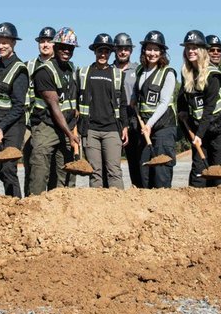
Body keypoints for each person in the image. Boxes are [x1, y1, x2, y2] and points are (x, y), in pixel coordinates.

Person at [27, 27, 80, 195]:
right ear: (55, 46)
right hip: (47, 125)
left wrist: (74, 126)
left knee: (66, 171)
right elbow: (55, 107)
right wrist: (70, 134)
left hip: (67, 126)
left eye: (70, 47)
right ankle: (34, 204)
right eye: (63, 46)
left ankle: (64, 208)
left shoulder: (71, 69)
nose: (66, 50)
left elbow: (72, 101)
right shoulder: (44, 72)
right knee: (40, 169)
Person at [179, 30, 221, 187]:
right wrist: (182, 112)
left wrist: (199, 135)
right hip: (200, 129)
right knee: (199, 174)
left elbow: (209, 109)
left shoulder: (213, 74)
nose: (191, 51)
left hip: (220, 128)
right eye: (188, 47)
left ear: (203, 50)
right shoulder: (186, 72)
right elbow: (181, 98)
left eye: (195, 47)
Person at [79, 33, 127, 189]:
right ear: (95, 51)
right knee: (95, 173)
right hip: (91, 130)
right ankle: (98, 211)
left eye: (106, 51)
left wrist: (124, 126)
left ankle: (118, 208)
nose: (103, 54)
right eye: (100, 50)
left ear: (110, 53)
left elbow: (123, 104)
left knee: (114, 171)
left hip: (112, 130)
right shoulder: (84, 73)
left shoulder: (117, 75)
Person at [0, 22, 29, 197]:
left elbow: (19, 106)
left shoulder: (19, 70)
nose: (1, 46)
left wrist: (1, 128)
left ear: (13, 43)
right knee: (0, 169)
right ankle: (9, 203)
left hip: (12, 125)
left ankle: (16, 204)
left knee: (8, 167)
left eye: (5, 43)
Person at [132, 31, 178, 189]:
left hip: (163, 127)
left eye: (156, 50)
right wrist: (133, 99)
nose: (152, 53)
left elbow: (164, 103)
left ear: (162, 52)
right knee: (144, 170)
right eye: (149, 49)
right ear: (144, 50)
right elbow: (139, 93)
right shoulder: (140, 70)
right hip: (145, 126)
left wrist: (149, 125)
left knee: (161, 172)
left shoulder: (168, 73)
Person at [22, 26, 56, 195]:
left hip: (54, 123)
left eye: (49, 41)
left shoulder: (63, 66)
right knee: (32, 166)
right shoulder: (28, 66)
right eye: (42, 41)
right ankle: (30, 201)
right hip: (31, 123)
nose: (45, 44)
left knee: (54, 168)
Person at [112, 32, 142, 188]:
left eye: (126, 48)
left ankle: (137, 190)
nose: (123, 52)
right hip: (113, 120)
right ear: (115, 50)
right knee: (112, 162)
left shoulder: (137, 70)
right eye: (120, 48)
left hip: (133, 120)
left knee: (135, 161)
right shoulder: (108, 71)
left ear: (131, 50)